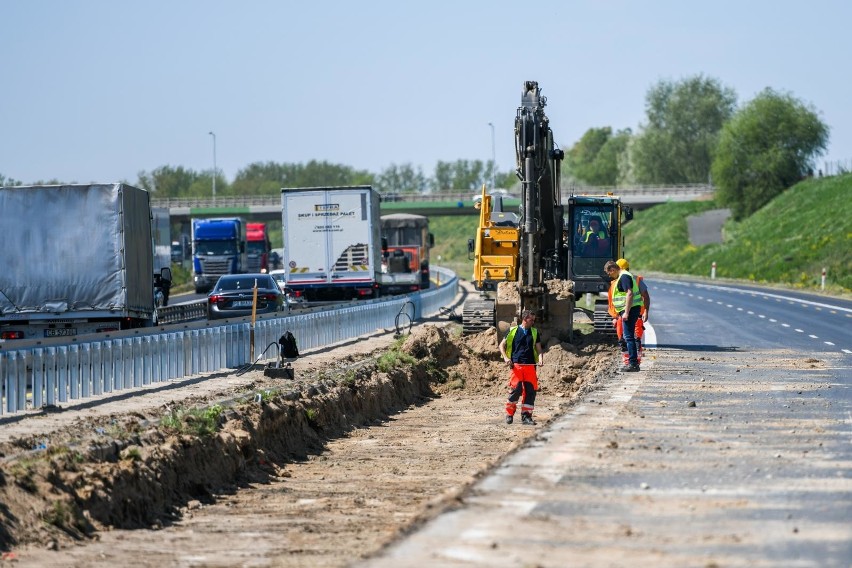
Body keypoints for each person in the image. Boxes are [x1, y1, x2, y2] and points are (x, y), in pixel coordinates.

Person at [498, 309, 544, 425]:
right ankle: (509, 414)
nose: (533, 322)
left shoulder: (534, 332)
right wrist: (505, 358)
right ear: (524, 319)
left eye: (534, 320)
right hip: (516, 366)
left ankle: (526, 417)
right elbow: (501, 345)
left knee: (530, 392)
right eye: (531, 320)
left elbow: (539, 349)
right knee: (516, 390)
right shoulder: (512, 330)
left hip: (530, 366)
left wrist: (540, 359)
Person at [607, 258, 650, 365]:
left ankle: (633, 362)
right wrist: (615, 316)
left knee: (631, 338)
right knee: (627, 339)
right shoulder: (617, 281)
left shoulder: (628, 278)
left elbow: (641, 295)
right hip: (624, 313)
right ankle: (630, 362)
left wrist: (645, 312)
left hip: (631, 313)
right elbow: (615, 301)